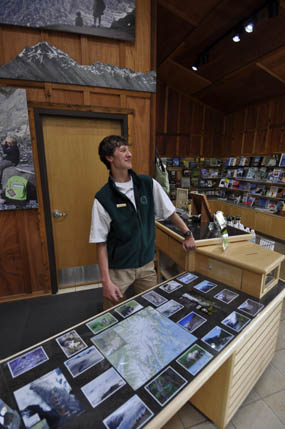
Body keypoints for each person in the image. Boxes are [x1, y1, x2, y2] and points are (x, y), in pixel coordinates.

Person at [89, 135, 196, 307]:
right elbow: (100, 243)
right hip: (119, 270)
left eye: (128, 150)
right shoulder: (103, 198)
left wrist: (187, 233)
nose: (129, 154)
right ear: (109, 158)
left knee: (151, 309)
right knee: (113, 313)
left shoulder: (147, 184)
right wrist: (106, 281)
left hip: (147, 266)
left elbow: (169, 212)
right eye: (123, 151)